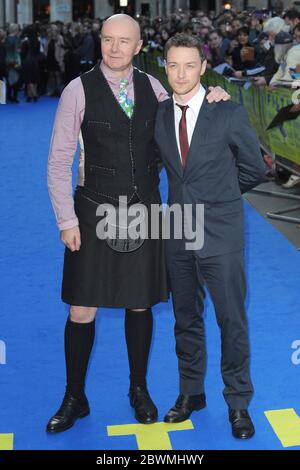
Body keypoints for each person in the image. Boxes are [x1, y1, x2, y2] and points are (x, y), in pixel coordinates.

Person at [47, 14, 229, 434]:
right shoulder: (77, 90)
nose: (114, 48)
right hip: (92, 210)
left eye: (123, 41)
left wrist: (212, 95)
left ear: (138, 44)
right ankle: (75, 395)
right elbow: (58, 162)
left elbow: (188, 113)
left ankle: (139, 388)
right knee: (80, 308)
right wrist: (66, 220)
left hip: (144, 212)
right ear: (101, 42)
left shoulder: (155, 88)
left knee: (139, 303)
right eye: (108, 40)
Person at [154, 33, 265, 439]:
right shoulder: (161, 114)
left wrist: (220, 198)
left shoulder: (228, 111)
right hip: (177, 231)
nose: (181, 74)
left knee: (231, 319)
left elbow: (254, 168)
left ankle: (238, 402)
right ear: (164, 68)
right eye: (172, 65)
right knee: (185, 318)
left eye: (189, 65)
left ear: (203, 67)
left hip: (221, 231)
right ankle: (191, 392)